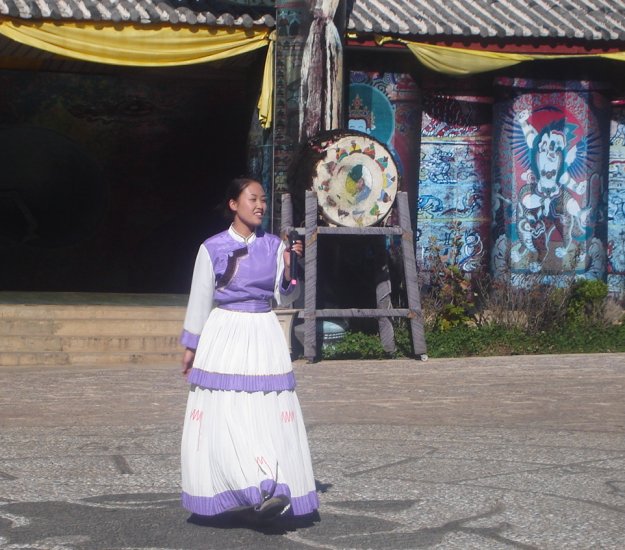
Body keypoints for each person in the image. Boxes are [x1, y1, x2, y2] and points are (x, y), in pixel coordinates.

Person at [179, 177, 319, 524]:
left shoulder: (274, 246)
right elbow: (200, 299)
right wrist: (191, 345)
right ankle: (246, 482)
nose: (260, 205)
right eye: (252, 199)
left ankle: (271, 480)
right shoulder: (211, 248)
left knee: (265, 410)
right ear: (233, 204)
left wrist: (289, 269)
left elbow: (284, 297)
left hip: (263, 331)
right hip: (224, 331)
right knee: (227, 412)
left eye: (263, 200)